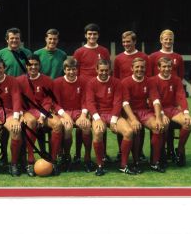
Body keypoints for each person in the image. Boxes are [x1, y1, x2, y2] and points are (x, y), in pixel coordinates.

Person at [85, 59, 136, 176]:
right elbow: (90, 102)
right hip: (99, 115)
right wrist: (97, 119)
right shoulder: (91, 83)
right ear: (96, 70)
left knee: (128, 132)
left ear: (110, 70)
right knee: (97, 132)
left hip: (113, 113)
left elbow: (118, 102)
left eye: (106, 70)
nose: (103, 73)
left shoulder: (117, 82)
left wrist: (113, 120)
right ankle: (100, 165)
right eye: (101, 70)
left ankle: (123, 165)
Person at [17, 55, 63, 176]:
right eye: (30, 65)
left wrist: (42, 116)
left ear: (39, 65)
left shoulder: (47, 80)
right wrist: (21, 114)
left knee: (57, 124)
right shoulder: (19, 81)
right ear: (26, 66)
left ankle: (53, 161)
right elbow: (18, 100)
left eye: (36, 64)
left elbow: (48, 100)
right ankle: (30, 161)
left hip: (43, 111)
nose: (33, 67)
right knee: (31, 122)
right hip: (28, 111)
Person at [73, 23, 111, 164]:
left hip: (99, 90)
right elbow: (75, 71)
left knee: (100, 121)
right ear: (85, 35)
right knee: (83, 122)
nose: (92, 36)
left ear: (98, 35)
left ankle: (103, 153)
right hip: (83, 90)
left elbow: (107, 69)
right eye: (89, 34)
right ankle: (78, 154)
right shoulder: (79, 52)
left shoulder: (104, 51)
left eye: (94, 34)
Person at [121, 58, 167, 173]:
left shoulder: (150, 81)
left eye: (142, 67)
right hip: (131, 111)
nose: (139, 69)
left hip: (144, 111)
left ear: (145, 68)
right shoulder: (125, 82)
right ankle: (136, 162)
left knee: (158, 127)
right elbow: (125, 103)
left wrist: (158, 118)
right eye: (137, 67)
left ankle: (154, 162)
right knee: (135, 128)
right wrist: (133, 119)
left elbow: (156, 100)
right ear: (132, 68)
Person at [149, 57, 191, 166]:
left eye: (169, 66)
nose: (166, 69)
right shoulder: (152, 80)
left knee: (187, 123)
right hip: (157, 109)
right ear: (159, 67)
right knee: (164, 124)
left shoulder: (176, 80)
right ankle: (162, 152)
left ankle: (180, 149)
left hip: (172, 109)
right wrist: (161, 114)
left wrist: (186, 113)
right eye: (164, 66)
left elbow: (181, 97)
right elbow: (154, 99)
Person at [113, 30, 150, 162]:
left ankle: (139, 152)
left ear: (134, 41)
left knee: (140, 125)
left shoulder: (144, 57)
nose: (125, 44)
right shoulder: (118, 58)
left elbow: (148, 77)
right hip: (124, 98)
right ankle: (121, 151)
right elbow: (116, 79)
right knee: (123, 124)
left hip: (140, 97)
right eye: (123, 42)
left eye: (128, 41)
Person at [148, 29, 185, 160]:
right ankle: (161, 151)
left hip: (172, 99)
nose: (168, 41)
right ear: (161, 40)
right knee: (164, 124)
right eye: (165, 39)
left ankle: (173, 150)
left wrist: (180, 105)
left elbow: (179, 78)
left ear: (173, 40)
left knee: (175, 123)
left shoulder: (178, 57)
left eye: (170, 39)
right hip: (157, 99)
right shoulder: (152, 57)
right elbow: (150, 78)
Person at [52, 57, 93, 172]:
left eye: (74, 69)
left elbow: (86, 101)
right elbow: (55, 103)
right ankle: (66, 156)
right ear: (64, 70)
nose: (71, 72)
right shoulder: (57, 82)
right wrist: (64, 116)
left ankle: (87, 158)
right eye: (68, 69)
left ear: (77, 70)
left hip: (79, 112)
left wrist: (84, 115)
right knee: (68, 127)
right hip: (64, 112)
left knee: (86, 126)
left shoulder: (84, 82)